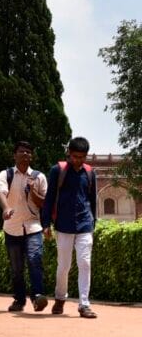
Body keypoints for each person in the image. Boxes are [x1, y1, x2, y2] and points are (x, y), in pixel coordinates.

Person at [41, 136, 99, 319]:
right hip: (64, 225)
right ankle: (60, 298)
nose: (77, 160)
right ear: (69, 154)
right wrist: (45, 224)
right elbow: (49, 198)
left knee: (85, 263)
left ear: (86, 156)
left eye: (81, 157)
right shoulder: (58, 171)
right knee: (64, 266)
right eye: (74, 156)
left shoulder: (90, 173)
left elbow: (92, 200)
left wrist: (93, 222)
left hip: (84, 225)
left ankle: (84, 304)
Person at [0, 141, 49, 312]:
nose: (25, 154)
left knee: (35, 260)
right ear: (15, 155)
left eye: (28, 152)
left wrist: (33, 191)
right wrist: (6, 208)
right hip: (12, 227)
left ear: (31, 156)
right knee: (17, 268)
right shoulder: (6, 174)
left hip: (33, 226)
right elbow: (1, 193)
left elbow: (44, 204)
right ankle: (19, 300)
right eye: (21, 151)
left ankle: (37, 296)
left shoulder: (39, 177)